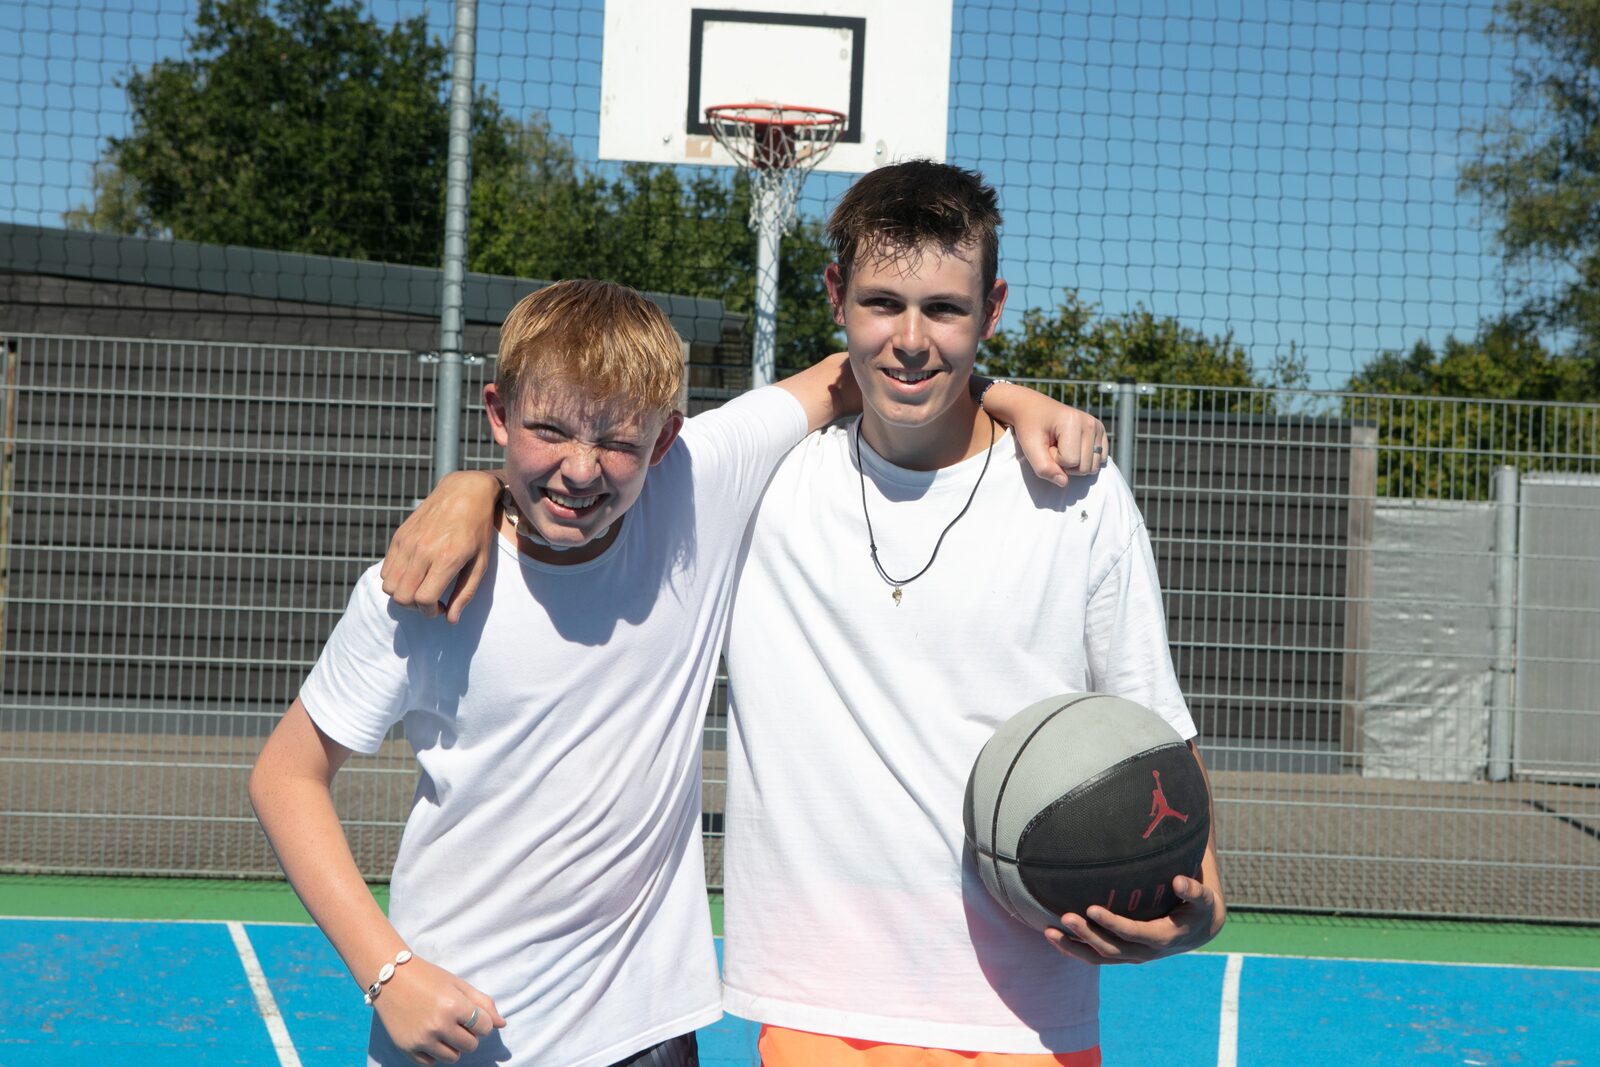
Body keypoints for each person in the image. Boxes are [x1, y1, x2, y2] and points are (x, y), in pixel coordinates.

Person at [382, 161, 1222, 1066]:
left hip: (1022, 1019)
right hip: (817, 1014)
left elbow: (1157, 742)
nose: (909, 338)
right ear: (835, 297)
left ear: (993, 307)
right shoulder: (761, 484)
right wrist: (472, 488)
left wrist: (1195, 905)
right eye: (880, 302)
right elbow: (590, 478)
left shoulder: (1079, 498)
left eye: (944, 307)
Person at [252, 277, 1105, 1067]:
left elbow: (856, 373)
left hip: (649, 1031)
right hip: (459, 1027)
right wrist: (389, 971)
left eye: (616, 440)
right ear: (497, 412)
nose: (580, 469)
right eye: (550, 430)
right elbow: (286, 774)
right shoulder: (421, 585)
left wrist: (1008, 397)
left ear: (665, 438)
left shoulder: (699, 481)